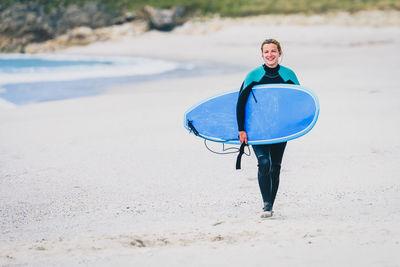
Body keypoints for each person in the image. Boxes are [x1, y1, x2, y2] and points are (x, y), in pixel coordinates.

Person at [236, 39, 299, 218]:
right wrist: (241, 129)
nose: (270, 55)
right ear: (262, 54)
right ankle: (266, 204)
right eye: (266, 52)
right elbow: (240, 103)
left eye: (273, 51)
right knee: (264, 162)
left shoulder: (289, 75)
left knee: (275, 167)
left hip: (280, 128)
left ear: (279, 53)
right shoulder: (254, 75)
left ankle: (270, 203)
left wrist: (295, 125)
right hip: (258, 128)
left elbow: (298, 101)